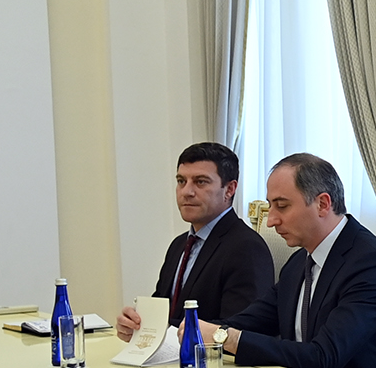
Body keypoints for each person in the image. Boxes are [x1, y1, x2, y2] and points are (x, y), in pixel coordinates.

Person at [211, 153, 376, 368]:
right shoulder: (298, 263)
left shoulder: (374, 264)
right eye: (271, 206)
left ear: (322, 204)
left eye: (282, 206)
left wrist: (226, 338)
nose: (271, 220)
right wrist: (192, 330)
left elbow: (324, 357)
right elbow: (248, 323)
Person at [115, 142, 274, 339]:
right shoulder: (178, 245)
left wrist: (160, 329)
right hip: (170, 356)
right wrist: (137, 323)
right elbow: (162, 313)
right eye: (181, 181)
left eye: (200, 182)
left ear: (229, 189)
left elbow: (240, 330)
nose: (186, 192)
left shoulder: (247, 248)